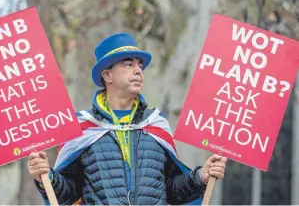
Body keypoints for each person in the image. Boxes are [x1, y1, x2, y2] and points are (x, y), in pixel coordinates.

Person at [27, 33, 227, 205]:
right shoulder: (83, 127)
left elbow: (172, 191)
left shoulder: (156, 124)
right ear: (107, 75)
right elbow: (67, 194)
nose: (138, 70)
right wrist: (45, 176)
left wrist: (201, 177)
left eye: (140, 65)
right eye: (128, 64)